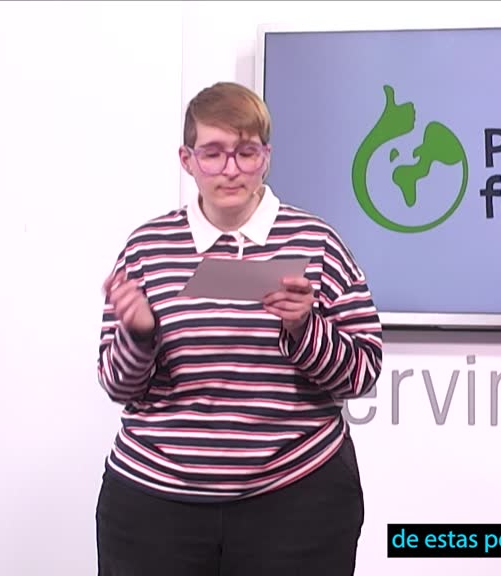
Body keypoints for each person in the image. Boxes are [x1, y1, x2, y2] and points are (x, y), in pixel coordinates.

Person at [94, 81, 382, 575]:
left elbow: (362, 373)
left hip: (297, 500)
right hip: (155, 505)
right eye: (213, 153)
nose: (230, 169)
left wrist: (304, 330)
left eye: (245, 152)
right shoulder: (147, 248)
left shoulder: (317, 243)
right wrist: (139, 335)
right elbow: (119, 386)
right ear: (187, 160)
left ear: (266, 158)